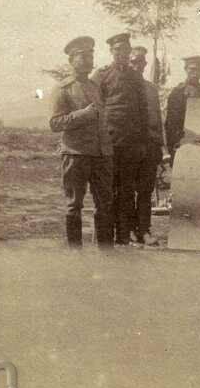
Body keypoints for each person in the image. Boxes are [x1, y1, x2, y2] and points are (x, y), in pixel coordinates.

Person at [49, 35, 113, 248]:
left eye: (91, 55)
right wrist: (83, 114)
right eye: (82, 56)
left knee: (105, 204)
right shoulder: (63, 89)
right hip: (76, 154)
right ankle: (75, 254)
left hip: (101, 155)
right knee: (74, 205)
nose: (88, 60)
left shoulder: (96, 87)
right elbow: (55, 123)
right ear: (71, 60)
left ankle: (106, 253)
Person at [91, 32, 149, 246]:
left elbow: (143, 111)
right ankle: (106, 238)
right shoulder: (102, 75)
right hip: (108, 142)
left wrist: (142, 142)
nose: (122, 54)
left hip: (131, 144)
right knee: (107, 191)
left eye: (125, 50)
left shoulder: (136, 78)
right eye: (118, 50)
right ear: (111, 52)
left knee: (126, 191)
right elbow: (95, 108)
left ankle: (123, 236)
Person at [129, 46, 164, 246]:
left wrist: (161, 146)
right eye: (133, 61)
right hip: (129, 145)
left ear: (145, 64)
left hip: (149, 145)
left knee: (145, 190)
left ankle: (144, 229)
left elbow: (157, 119)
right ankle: (128, 229)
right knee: (126, 190)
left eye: (140, 61)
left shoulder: (151, 89)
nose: (137, 65)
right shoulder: (122, 86)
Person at [164, 55, 200, 163]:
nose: (196, 72)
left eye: (199, 69)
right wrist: (174, 146)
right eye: (192, 69)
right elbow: (171, 124)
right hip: (183, 143)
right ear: (185, 69)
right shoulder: (178, 92)